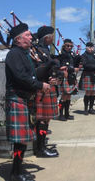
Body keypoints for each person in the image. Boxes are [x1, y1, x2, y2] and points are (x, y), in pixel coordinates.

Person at [5, 23, 50, 181]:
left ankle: (18, 170)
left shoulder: (24, 54)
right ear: (18, 39)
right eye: (28, 35)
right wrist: (39, 85)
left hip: (24, 99)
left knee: (23, 139)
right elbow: (21, 77)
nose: (31, 37)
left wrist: (48, 72)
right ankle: (15, 172)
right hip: (17, 98)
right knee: (20, 140)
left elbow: (32, 74)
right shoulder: (14, 54)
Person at [34, 26, 60, 158]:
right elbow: (37, 70)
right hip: (42, 87)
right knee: (43, 120)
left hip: (49, 86)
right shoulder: (38, 50)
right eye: (52, 36)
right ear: (47, 38)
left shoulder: (45, 50)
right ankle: (40, 148)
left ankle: (42, 146)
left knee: (46, 120)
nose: (53, 38)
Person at [57, 38, 79, 121]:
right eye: (67, 45)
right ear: (64, 46)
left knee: (69, 96)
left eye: (71, 46)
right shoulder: (61, 55)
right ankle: (60, 114)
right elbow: (59, 67)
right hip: (64, 77)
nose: (69, 47)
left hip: (71, 77)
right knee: (63, 96)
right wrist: (70, 70)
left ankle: (67, 114)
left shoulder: (72, 54)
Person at [79, 42, 95, 115]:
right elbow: (85, 65)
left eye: (92, 47)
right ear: (86, 47)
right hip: (87, 74)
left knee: (93, 92)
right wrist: (94, 67)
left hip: (94, 75)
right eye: (89, 47)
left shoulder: (94, 55)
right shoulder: (84, 55)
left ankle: (91, 108)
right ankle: (85, 109)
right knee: (88, 92)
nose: (91, 49)